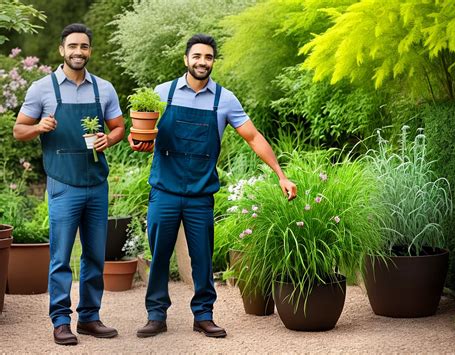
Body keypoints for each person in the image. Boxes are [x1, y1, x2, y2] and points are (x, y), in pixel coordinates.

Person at [129, 33, 297, 339]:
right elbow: (141, 129)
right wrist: (135, 140)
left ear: (213, 62)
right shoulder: (162, 93)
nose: (202, 62)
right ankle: (156, 315)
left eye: (208, 57)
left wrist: (280, 174)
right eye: (197, 56)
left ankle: (203, 315)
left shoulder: (224, 99)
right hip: (164, 191)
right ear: (186, 59)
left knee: (202, 258)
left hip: (200, 195)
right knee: (160, 255)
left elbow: (254, 137)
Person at [13, 23, 125, 346]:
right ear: (62, 50)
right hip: (62, 184)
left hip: (96, 184)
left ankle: (89, 317)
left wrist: (109, 138)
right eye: (73, 46)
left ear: (90, 51)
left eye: (84, 47)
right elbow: (19, 130)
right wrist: (39, 127)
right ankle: (61, 321)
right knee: (61, 256)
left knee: (95, 255)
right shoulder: (42, 89)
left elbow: (118, 127)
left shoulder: (104, 89)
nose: (79, 52)